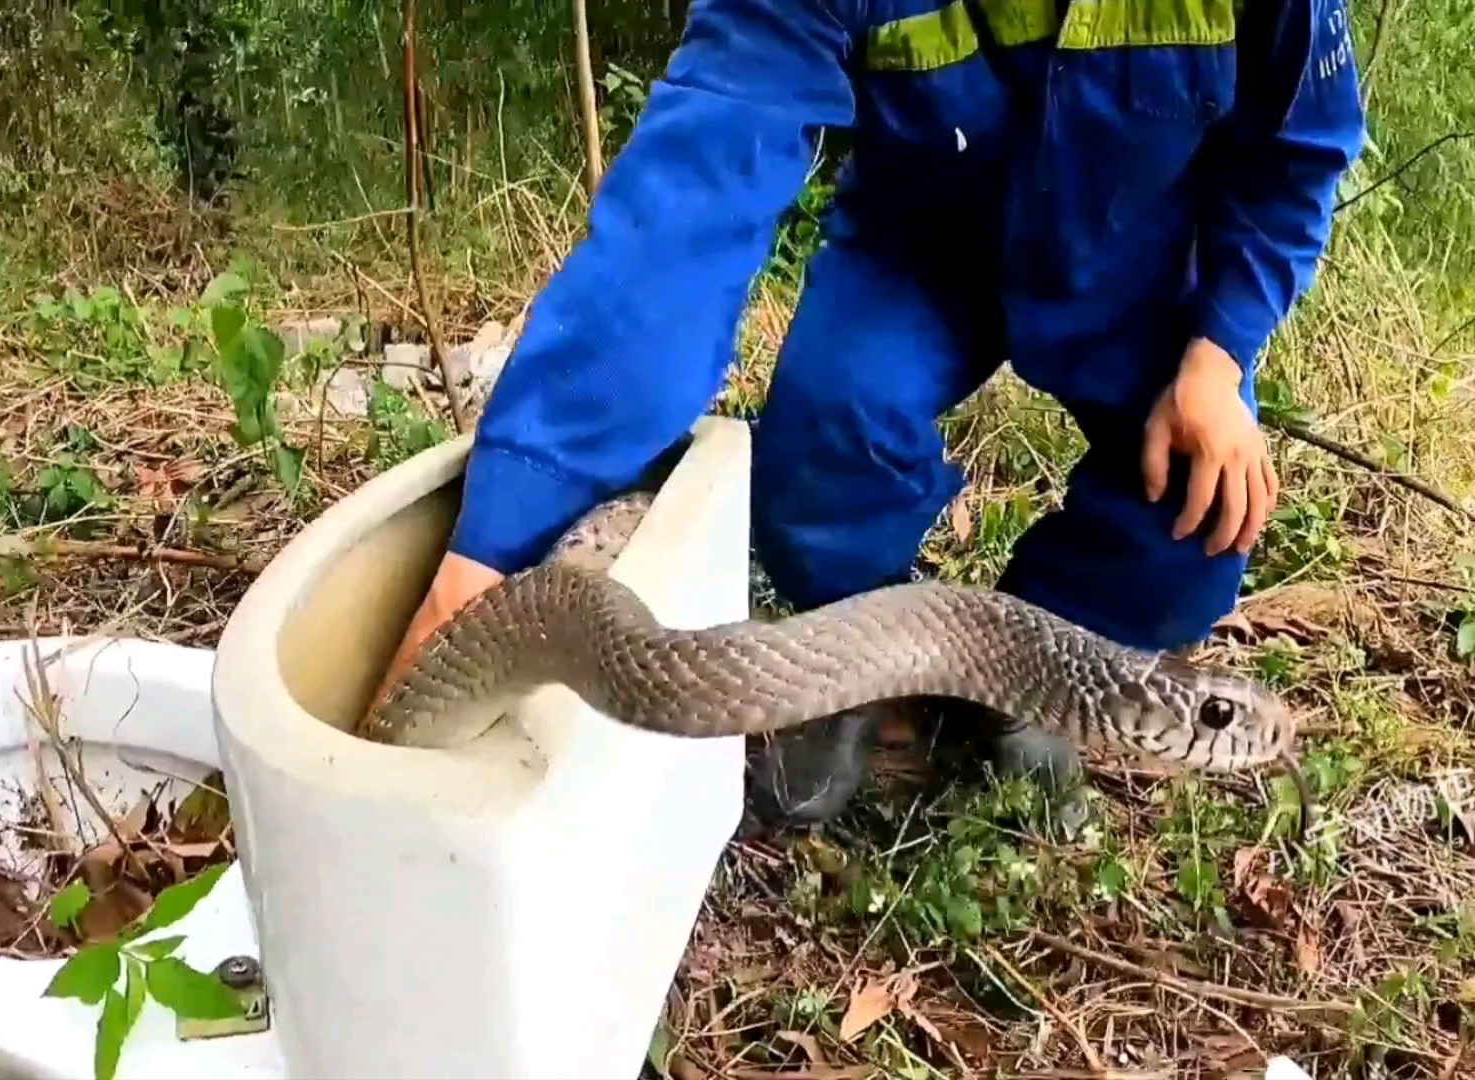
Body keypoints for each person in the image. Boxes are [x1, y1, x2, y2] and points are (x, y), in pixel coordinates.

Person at [372, 0, 1365, 827]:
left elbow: (1300, 147)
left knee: (1196, 512)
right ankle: (854, 663)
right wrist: (498, 541)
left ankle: (1022, 684)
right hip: (922, 250)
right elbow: (685, 215)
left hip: (1135, 259)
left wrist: (1218, 351)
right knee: (826, 432)